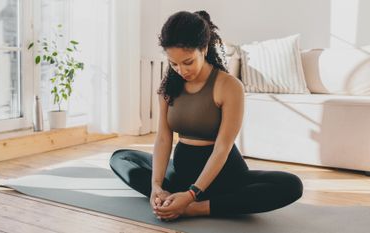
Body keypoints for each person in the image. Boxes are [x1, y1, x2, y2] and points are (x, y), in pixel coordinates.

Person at [110, 10, 303, 221]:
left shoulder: (229, 86)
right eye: (173, 64)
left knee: (291, 185)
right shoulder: (168, 87)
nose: (181, 70)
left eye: (188, 62)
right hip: (181, 175)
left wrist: (192, 194)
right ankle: (168, 198)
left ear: (203, 48)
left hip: (224, 177)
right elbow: (164, 138)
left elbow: (223, 147)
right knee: (121, 158)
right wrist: (156, 186)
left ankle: (195, 207)